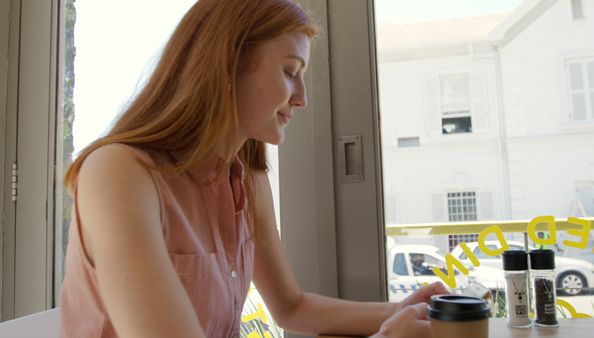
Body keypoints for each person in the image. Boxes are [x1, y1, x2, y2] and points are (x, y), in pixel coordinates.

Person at [59, 1, 449, 337]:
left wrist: (406, 310)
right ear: (227, 65)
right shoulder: (117, 173)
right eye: (289, 72)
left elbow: (291, 307)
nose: (303, 99)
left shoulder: (248, 178)